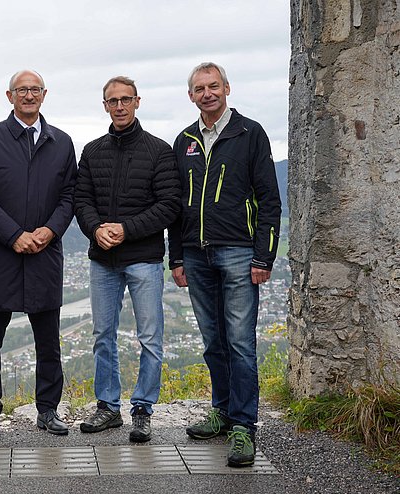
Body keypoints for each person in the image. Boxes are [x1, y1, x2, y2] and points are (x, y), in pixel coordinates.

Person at [168, 62, 281, 467]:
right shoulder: (184, 141)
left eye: (213, 86)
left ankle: (243, 426)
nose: (207, 93)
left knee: (239, 342)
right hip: (195, 254)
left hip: (238, 251)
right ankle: (221, 410)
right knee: (213, 341)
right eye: (199, 88)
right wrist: (176, 256)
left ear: (227, 88)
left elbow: (269, 199)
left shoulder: (250, 133)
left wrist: (264, 255)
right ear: (191, 95)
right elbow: (176, 205)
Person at [0, 70, 77, 440]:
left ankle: (47, 410)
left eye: (34, 90)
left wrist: (49, 230)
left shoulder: (61, 142)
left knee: (49, 344)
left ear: (44, 94)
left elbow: (70, 197)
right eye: (21, 90)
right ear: (9, 95)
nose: (28, 96)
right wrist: (14, 235)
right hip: (0, 256)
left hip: (45, 254)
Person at [74, 76, 181, 442]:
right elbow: (81, 200)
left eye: (125, 99)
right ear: (104, 105)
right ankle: (107, 407)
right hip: (102, 259)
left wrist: (125, 229)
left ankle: (143, 409)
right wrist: (95, 229)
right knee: (103, 335)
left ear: (137, 102)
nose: (119, 106)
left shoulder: (159, 151)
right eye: (112, 101)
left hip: (143, 258)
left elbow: (169, 205)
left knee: (150, 337)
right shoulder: (91, 151)